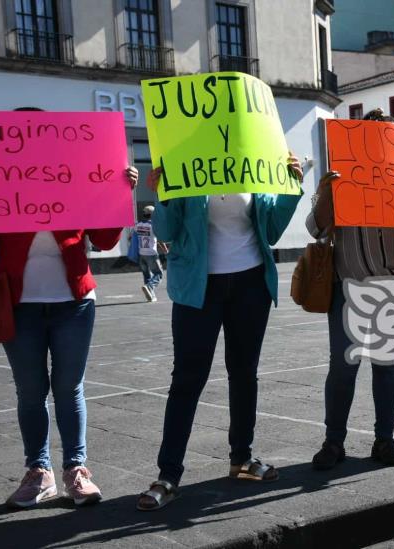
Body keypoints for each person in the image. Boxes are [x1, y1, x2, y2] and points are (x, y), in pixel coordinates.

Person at [136, 153, 304, 511]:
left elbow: (271, 230)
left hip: (250, 284)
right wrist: (163, 194)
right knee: (186, 379)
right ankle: (168, 475)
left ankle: (241, 460)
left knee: (244, 375)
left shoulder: (256, 159)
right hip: (198, 287)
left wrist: (291, 186)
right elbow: (165, 233)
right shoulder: (186, 160)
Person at [0, 168, 139, 509]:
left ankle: (75, 471)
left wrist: (120, 194)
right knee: (31, 390)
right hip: (19, 306)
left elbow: (106, 239)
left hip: (74, 304)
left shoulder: (76, 179)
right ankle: (39, 472)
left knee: (69, 388)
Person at [307, 108, 394, 471]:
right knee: (343, 369)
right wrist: (329, 190)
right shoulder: (339, 177)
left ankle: (385, 440)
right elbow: (315, 228)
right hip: (348, 289)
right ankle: (333, 443)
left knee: (387, 367)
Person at [133, 205, 166, 302]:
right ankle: (150, 287)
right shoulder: (153, 226)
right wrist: (165, 250)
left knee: (146, 275)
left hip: (141, 253)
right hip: (151, 253)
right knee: (158, 274)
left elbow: (130, 237)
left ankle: (150, 296)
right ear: (153, 214)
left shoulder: (138, 225)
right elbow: (160, 239)